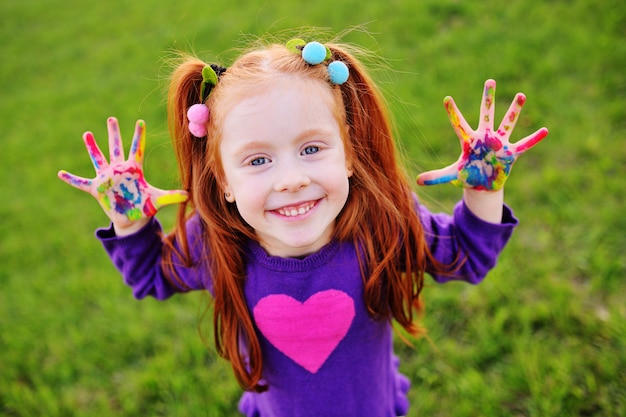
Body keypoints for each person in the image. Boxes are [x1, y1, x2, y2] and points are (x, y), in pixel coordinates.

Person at [58, 38, 548, 416]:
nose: (292, 180)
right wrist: (127, 217)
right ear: (224, 181)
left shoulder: (382, 222)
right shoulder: (216, 243)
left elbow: (466, 254)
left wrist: (484, 188)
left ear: (351, 155)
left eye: (312, 149)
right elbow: (151, 275)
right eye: (258, 160)